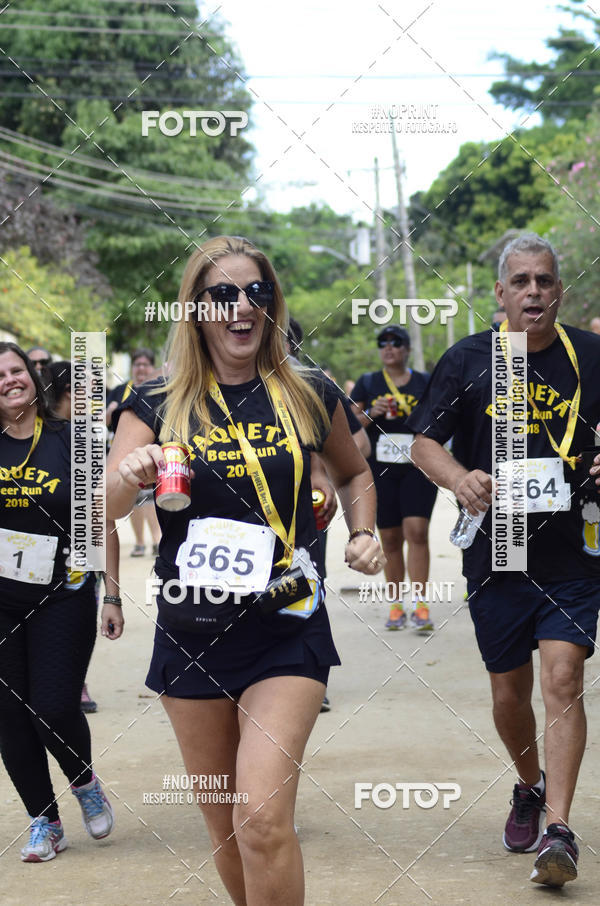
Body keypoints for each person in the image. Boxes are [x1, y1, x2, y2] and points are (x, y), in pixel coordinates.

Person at [107, 235, 383, 906]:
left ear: (272, 304)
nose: (242, 307)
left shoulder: (309, 391)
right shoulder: (154, 402)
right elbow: (102, 507)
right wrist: (129, 474)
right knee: (225, 825)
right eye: (223, 294)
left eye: (257, 293)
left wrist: (365, 529)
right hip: (191, 632)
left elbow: (354, 473)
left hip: (285, 624)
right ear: (196, 309)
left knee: (259, 817)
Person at [407, 233, 600, 888]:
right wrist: (460, 479)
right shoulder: (468, 360)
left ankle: (560, 828)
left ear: (559, 291)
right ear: (500, 294)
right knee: (507, 693)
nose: (534, 293)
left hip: (572, 549)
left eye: (544, 281)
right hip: (498, 551)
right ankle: (529, 783)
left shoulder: (591, 356)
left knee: (564, 679)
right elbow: (423, 445)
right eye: (520, 282)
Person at [0, 343, 122, 863]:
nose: (9, 380)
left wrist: (112, 594)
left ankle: (83, 780)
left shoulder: (74, 441)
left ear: (33, 377)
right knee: (8, 715)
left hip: (63, 594)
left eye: (16, 370)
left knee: (51, 707)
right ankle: (44, 822)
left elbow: (103, 519)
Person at [351, 325, 438, 632]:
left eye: (396, 343)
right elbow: (351, 425)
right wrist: (371, 413)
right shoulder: (368, 382)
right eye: (383, 343)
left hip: (417, 468)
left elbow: (439, 418)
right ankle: (396, 605)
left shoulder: (425, 382)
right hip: (381, 468)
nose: (389, 348)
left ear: (407, 349)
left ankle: (422, 604)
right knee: (388, 537)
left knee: (417, 531)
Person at [49, 361, 122, 715]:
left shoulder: (88, 440)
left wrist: (112, 592)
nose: (97, 399)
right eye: (91, 392)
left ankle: (77, 683)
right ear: (68, 392)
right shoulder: (28, 434)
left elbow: (103, 514)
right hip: (35, 557)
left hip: (80, 558)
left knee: (76, 628)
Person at [106, 348, 161, 557]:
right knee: (135, 497)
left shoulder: (161, 389)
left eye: (145, 364)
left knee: (151, 499)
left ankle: (156, 538)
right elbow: (104, 419)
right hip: (124, 454)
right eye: (137, 364)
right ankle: (139, 541)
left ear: (152, 367)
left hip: (154, 456)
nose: (141, 369)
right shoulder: (121, 390)